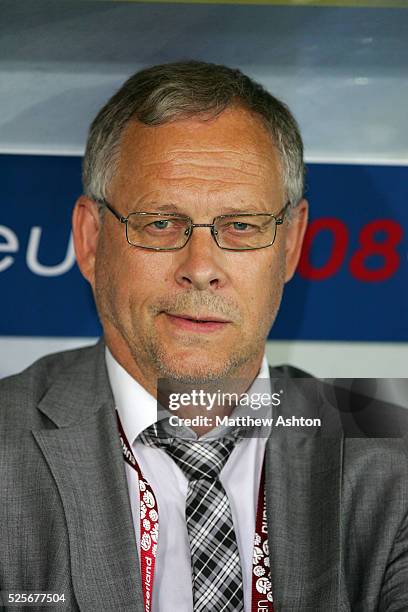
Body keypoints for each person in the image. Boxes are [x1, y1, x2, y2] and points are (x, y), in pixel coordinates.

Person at [1, 60, 407, 612]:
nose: (200, 267)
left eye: (240, 225)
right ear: (91, 240)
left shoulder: (392, 449)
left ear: (289, 246)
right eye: (161, 222)